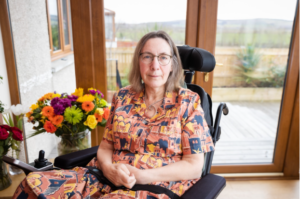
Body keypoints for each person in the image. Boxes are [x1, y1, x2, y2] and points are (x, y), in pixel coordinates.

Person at [13, 31, 214, 199]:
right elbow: (106, 147)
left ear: (172, 64)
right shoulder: (123, 96)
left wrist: (144, 176)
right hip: (103, 176)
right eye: (148, 57)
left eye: (163, 57)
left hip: (154, 186)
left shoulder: (188, 102)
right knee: (32, 184)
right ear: (139, 62)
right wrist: (108, 169)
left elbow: (194, 166)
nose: (155, 65)